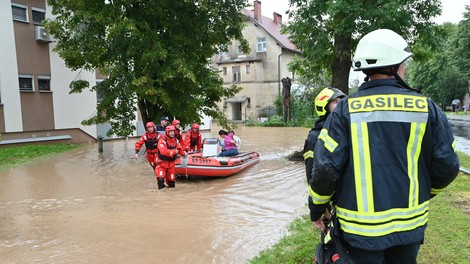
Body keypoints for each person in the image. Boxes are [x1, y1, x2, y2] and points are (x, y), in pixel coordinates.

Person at [309, 29, 460, 263]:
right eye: (403, 63)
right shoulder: (426, 108)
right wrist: (425, 193)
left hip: (359, 233)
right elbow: (448, 165)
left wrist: (316, 209)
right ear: (395, 66)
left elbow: (325, 169)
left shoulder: (345, 111)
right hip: (410, 227)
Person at [303, 87, 345, 184]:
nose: (341, 105)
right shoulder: (314, 137)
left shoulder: (346, 129)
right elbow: (311, 173)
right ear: (324, 107)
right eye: (336, 102)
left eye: (342, 101)